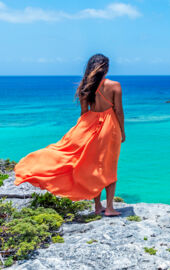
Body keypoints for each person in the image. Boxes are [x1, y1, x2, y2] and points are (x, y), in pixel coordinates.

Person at [15, 54, 126, 216]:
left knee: (93, 167)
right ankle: (109, 208)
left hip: (90, 127)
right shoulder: (115, 86)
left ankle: (97, 207)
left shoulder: (84, 86)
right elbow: (119, 111)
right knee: (109, 167)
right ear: (106, 68)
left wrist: (80, 133)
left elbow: (83, 113)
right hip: (110, 129)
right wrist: (122, 131)